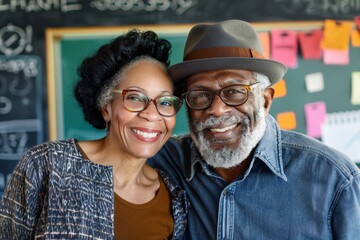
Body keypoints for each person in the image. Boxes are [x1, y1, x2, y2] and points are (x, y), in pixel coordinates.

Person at [149, 19, 360, 239]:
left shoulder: (334, 179)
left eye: (234, 91)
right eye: (200, 95)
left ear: (265, 101)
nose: (217, 110)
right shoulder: (161, 161)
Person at [0, 29, 188, 239]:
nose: (152, 114)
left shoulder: (173, 199)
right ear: (106, 106)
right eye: (135, 98)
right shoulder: (47, 165)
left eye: (165, 102)